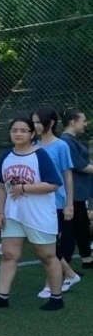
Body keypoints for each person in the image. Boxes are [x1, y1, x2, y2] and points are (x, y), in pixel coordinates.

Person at [0, 116, 64, 311]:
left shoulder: (40, 155)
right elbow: (1, 188)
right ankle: (2, 297)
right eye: (14, 130)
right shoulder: (6, 157)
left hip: (39, 215)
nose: (18, 134)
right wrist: (0, 212)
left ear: (32, 134)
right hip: (13, 214)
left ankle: (56, 297)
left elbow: (53, 184)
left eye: (23, 130)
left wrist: (25, 188)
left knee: (47, 256)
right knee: (9, 254)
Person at [31, 106, 79, 298]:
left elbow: (68, 176)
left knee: (50, 245)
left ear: (49, 123)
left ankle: (51, 284)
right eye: (33, 122)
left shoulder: (61, 146)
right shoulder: (33, 144)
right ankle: (69, 274)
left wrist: (69, 203)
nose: (34, 125)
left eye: (37, 122)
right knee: (42, 243)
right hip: (36, 201)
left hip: (56, 202)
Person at [60, 108, 93, 270]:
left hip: (79, 192)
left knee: (82, 226)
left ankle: (87, 258)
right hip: (72, 192)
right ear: (73, 122)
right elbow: (80, 166)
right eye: (83, 120)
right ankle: (64, 264)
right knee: (70, 230)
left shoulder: (71, 140)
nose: (85, 124)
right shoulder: (66, 141)